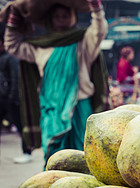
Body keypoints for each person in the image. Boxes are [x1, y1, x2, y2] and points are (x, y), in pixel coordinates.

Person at [4, 0, 108, 164]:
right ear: (49, 19)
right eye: (57, 16)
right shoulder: (41, 47)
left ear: (73, 17)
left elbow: (99, 30)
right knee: (53, 156)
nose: (61, 19)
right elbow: (12, 46)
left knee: (83, 153)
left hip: (79, 106)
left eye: (65, 16)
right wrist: (13, 21)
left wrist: (96, 9)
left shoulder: (83, 42)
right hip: (51, 109)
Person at [0, 34, 33, 163]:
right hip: (2, 99)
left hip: (11, 100)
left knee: (20, 126)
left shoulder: (10, 58)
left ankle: (27, 152)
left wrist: (12, 97)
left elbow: (15, 78)